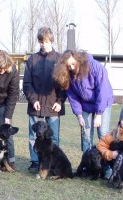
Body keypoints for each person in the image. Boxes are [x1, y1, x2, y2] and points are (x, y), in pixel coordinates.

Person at [53, 49, 113, 179]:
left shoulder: (95, 67)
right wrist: (79, 115)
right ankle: (87, 166)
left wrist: (99, 114)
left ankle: (106, 168)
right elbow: (73, 96)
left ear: (78, 59)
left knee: (103, 134)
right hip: (85, 105)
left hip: (103, 102)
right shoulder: (68, 75)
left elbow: (102, 90)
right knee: (86, 135)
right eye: (68, 66)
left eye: (73, 64)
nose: (72, 68)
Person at [23, 26, 66, 173]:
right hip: (35, 106)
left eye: (46, 41)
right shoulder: (32, 60)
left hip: (54, 107)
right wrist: (33, 99)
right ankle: (35, 162)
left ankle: (52, 164)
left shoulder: (60, 59)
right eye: (41, 41)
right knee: (32, 136)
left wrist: (60, 102)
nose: (43, 44)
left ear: (51, 40)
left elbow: (65, 84)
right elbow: (27, 83)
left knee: (53, 138)